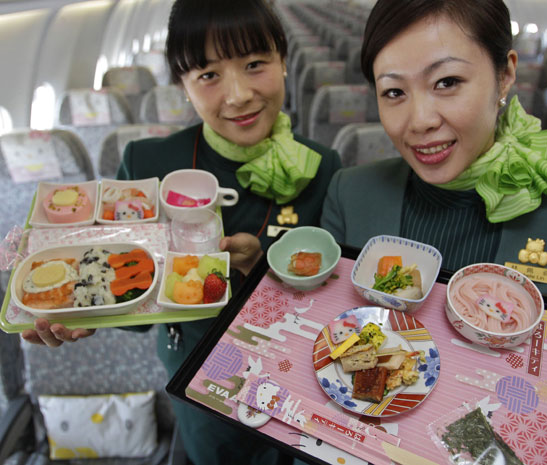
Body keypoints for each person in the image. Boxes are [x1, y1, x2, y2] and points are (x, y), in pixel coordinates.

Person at [21, 0, 341, 463]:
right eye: (208, 75)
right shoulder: (148, 165)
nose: (238, 96)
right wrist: (91, 311)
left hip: (296, 377)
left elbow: (331, 300)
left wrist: (260, 274)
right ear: (183, 85)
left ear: (284, 61)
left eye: (255, 64)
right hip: (195, 375)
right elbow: (139, 306)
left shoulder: (324, 166)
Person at [320, 0, 547, 431]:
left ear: (506, 74)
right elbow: (327, 334)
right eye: (394, 92)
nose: (419, 121)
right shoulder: (350, 192)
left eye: (447, 81)